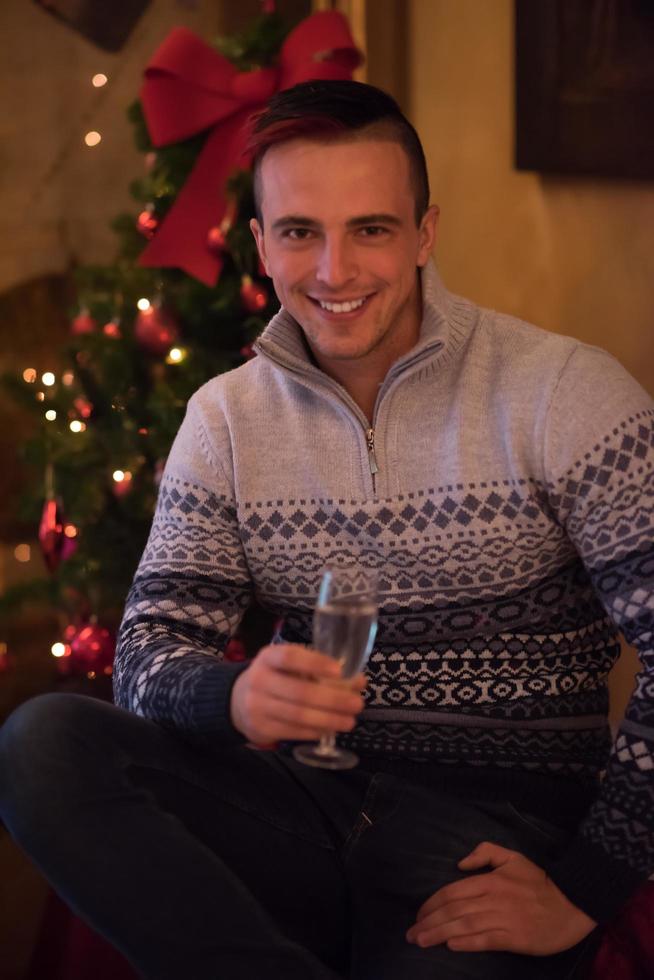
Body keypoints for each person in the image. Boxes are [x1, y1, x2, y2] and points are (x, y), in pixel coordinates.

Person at [0, 79, 652, 980]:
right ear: (262, 244)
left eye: (371, 230)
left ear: (425, 232)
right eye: (301, 232)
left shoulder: (563, 392)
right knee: (41, 745)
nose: (334, 273)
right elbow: (150, 651)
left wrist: (585, 886)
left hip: (488, 840)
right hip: (297, 807)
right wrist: (229, 698)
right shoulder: (224, 419)